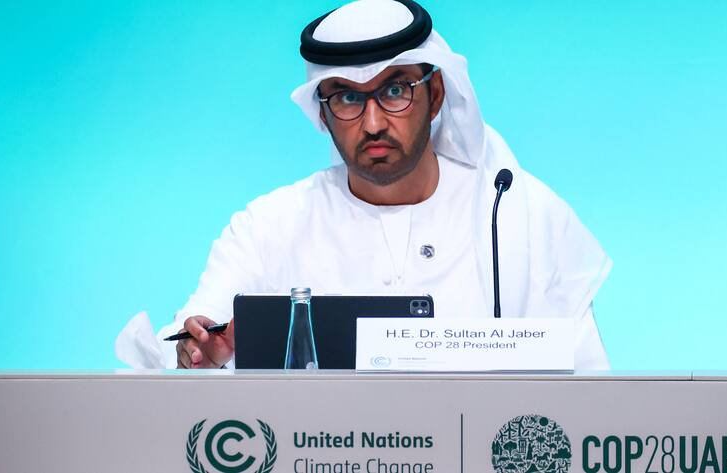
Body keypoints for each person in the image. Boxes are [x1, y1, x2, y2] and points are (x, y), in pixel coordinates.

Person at [164, 0, 612, 370]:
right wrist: (200, 356)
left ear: (435, 95)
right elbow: (187, 345)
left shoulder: (521, 213)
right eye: (348, 97)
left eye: (395, 91)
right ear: (322, 114)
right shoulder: (268, 227)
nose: (373, 123)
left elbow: (591, 398)